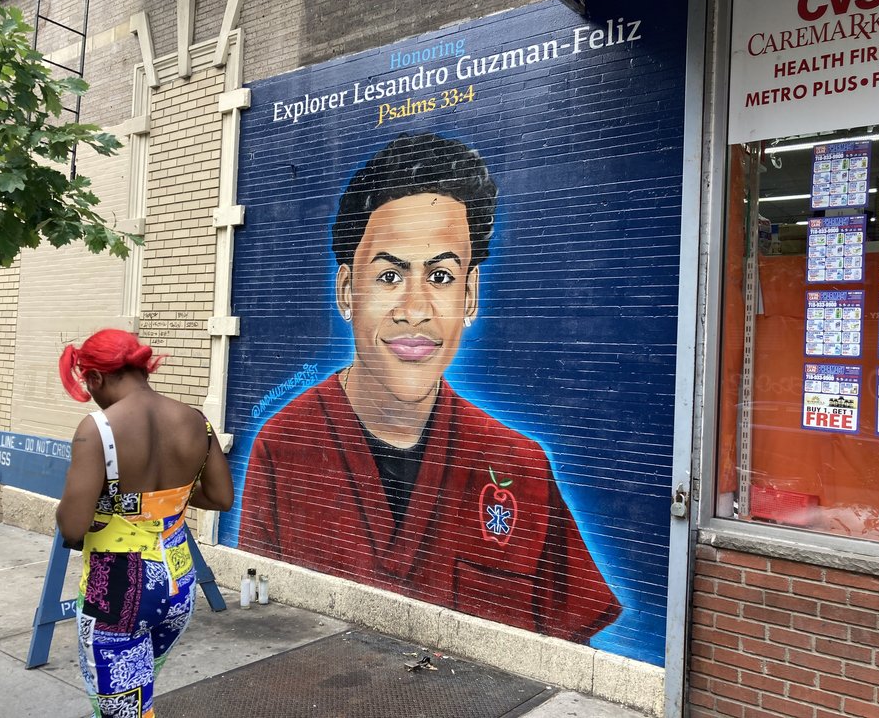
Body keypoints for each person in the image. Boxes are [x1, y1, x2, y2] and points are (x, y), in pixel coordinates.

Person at [239, 133, 620, 642]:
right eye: (390, 276)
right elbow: (264, 613)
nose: (415, 309)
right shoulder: (285, 447)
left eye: (440, 275)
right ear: (347, 290)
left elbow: (571, 647)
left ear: (470, 295)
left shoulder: (519, 467)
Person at [56, 329, 233, 718]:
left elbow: (72, 527)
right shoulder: (196, 421)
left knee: (122, 710)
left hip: (117, 592)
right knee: (137, 699)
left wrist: (99, 502)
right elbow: (220, 498)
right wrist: (168, 500)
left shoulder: (98, 429)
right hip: (177, 586)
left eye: (89, 384)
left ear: (98, 378)